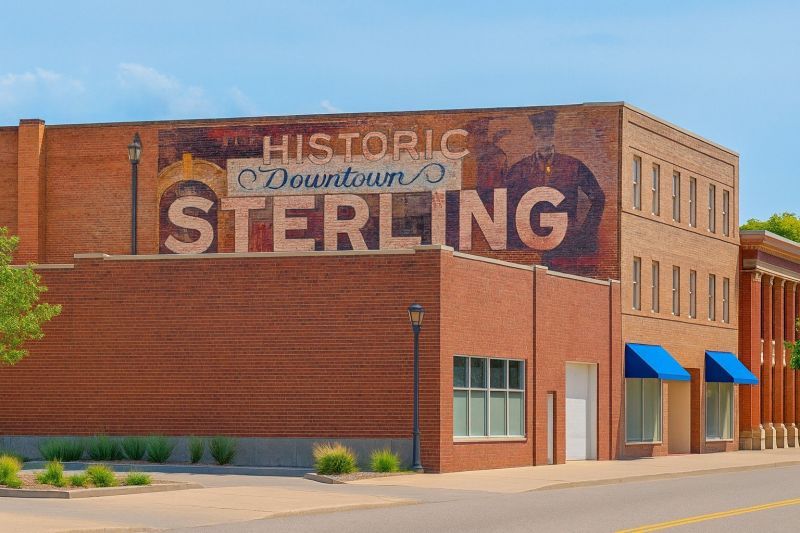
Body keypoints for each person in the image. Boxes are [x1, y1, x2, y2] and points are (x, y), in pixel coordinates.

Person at [504, 110, 605, 274]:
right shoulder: (519, 169)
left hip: (565, 246)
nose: (544, 137)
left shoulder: (572, 165)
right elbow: (505, 203)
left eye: (548, 132)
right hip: (531, 246)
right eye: (540, 133)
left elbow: (598, 198)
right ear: (534, 136)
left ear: (553, 135)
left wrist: (585, 231)